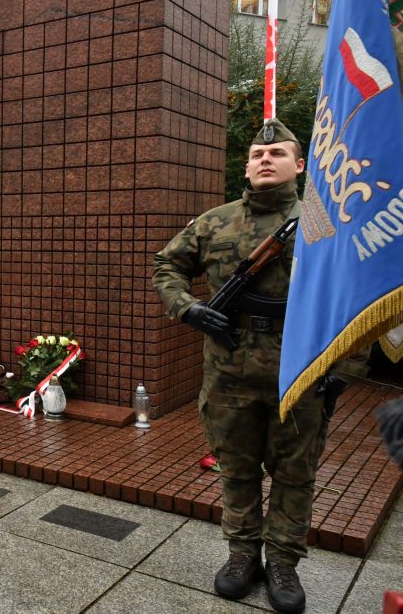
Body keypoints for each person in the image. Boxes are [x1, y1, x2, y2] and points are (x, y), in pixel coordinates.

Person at [152, 118, 367, 614]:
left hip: (301, 370)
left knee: (296, 474)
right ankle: (242, 554)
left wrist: (345, 368)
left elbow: (357, 298)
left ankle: (284, 563)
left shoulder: (328, 222)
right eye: (255, 155)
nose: (264, 160)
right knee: (237, 469)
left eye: (277, 154)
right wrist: (187, 307)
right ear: (247, 167)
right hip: (229, 371)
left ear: (300, 165)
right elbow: (166, 265)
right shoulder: (214, 221)